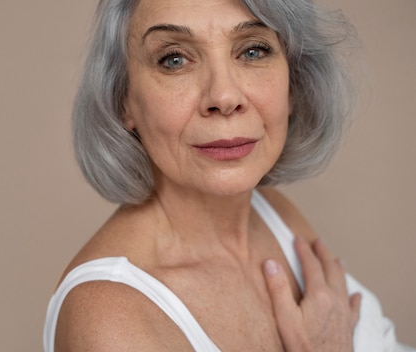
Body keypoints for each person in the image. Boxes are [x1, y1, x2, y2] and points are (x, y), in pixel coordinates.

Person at [44, 0, 415, 350]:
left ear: (293, 84)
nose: (223, 96)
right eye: (174, 59)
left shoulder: (276, 215)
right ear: (123, 99)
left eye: (253, 51)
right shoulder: (108, 316)